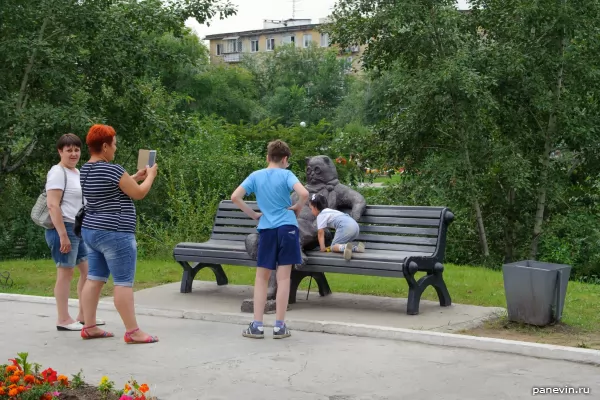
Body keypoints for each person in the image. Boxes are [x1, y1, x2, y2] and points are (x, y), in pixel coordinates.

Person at [78, 124, 158, 344]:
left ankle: (89, 326)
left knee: (94, 278)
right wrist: (150, 176)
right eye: (113, 145)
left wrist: (135, 176)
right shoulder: (113, 169)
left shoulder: (85, 170)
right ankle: (133, 332)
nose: (115, 149)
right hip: (116, 233)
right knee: (123, 282)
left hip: (91, 231)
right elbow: (139, 193)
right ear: (104, 146)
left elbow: (111, 189)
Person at [231, 140, 309, 339]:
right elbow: (304, 193)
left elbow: (235, 197)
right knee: (283, 278)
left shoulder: (255, 176)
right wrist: (299, 206)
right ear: (285, 159)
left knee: (261, 277)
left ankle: (257, 325)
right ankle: (279, 326)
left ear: (267, 157)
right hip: (288, 228)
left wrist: (254, 214)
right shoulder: (287, 174)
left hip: (266, 228)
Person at [45, 133, 104, 331]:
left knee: (88, 272)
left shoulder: (77, 172)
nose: (73, 154)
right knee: (65, 273)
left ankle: (83, 316)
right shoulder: (57, 172)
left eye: (76, 150)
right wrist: (62, 235)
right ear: (60, 151)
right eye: (68, 150)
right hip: (63, 229)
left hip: (78, 229)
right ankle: (63, 319)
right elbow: (53, 205)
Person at [309, 193, 365, 260]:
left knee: (333, 247)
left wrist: (322, 248)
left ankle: (345, 247)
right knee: (339, 244)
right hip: (355, 226)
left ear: (315, 207)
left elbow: (320, 233)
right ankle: (357, 248)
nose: (311, 211)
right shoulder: (330, 211)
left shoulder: (321, 215)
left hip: (346, 227)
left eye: (311, 209)